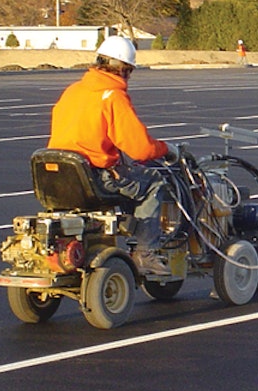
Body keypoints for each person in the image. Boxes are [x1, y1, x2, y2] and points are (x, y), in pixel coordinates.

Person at [47, 35, 174, 263]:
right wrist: (165, 149)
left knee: (129, 179)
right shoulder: (113, 96)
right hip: (94, 177)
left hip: (61, 177)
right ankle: (146, 254)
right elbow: (141, 149)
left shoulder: (73, 91)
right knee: (152, 183)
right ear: (124, 69)